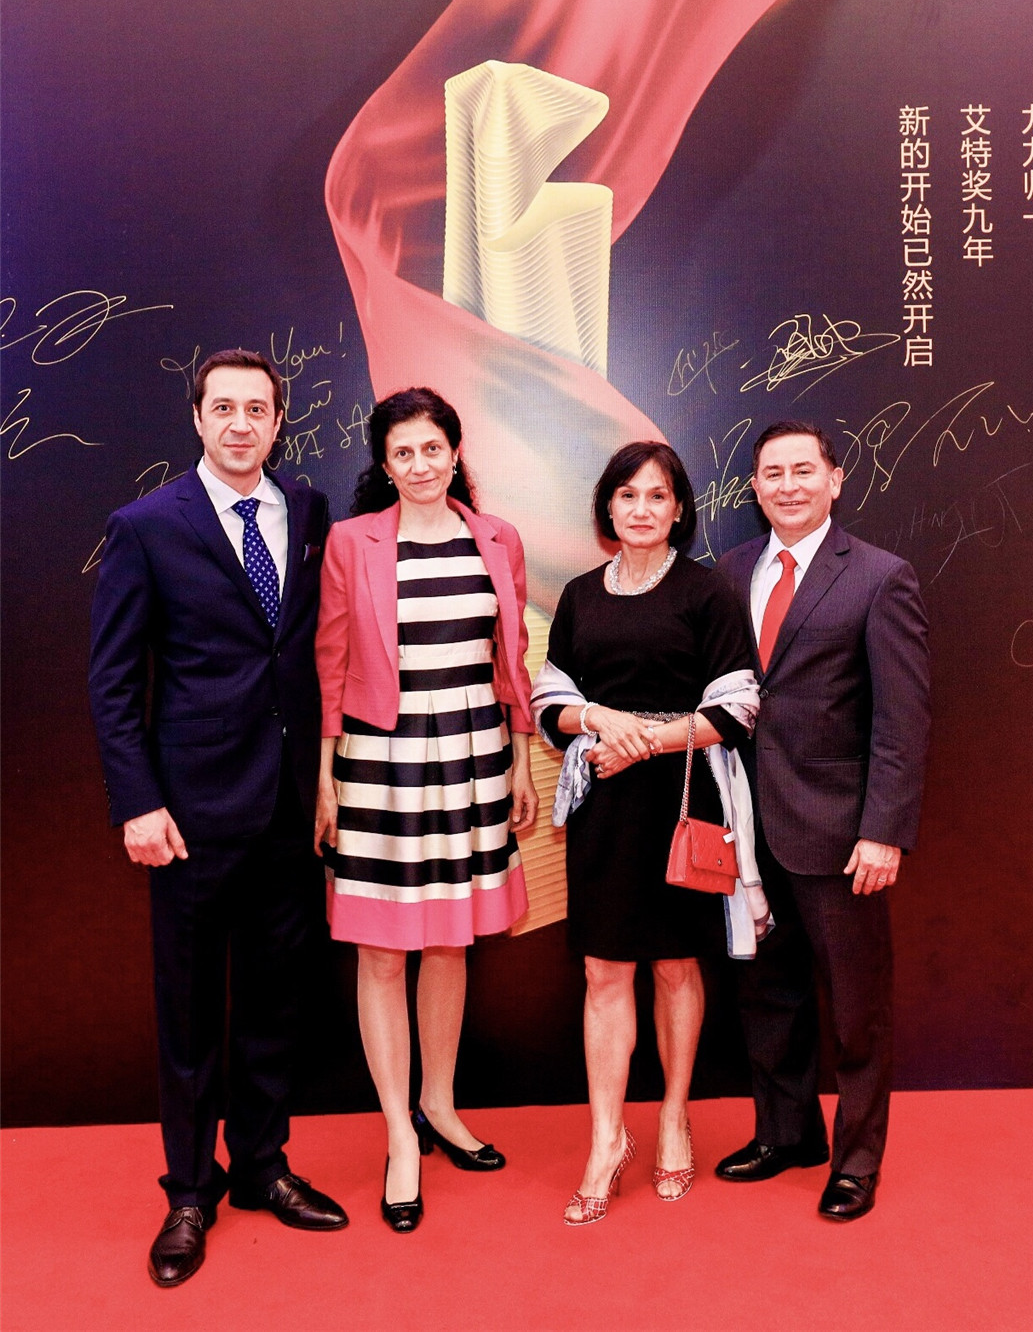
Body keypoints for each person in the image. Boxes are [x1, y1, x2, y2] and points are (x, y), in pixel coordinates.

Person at [88, 349, 348, 1289]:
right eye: (224, 408)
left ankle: (263, 1167)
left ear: (278, 421)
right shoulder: (145, 526)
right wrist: (139, 801)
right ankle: (191, 1192)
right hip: (189, 813)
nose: (241, 424)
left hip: (287, 808)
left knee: (276, 1003)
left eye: (257, 409)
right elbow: (114, 680)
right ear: (197, 419)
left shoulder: (309, 511)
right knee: (192, 1011)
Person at [314, 387, 538, 1233]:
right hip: (379, 764)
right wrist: (325, 779)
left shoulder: (497, 538)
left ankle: (440, 1106)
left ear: (455, 452)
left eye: (432, 449)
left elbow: (511, 660)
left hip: (474, 759)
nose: (419, 466)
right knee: (381, 951)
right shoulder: (353, 541)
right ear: (383, 463)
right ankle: (400, 1135)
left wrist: (522, 762)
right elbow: (330, 662)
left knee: (449, 940)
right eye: (402, 453)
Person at [530, 442, 764, 1226]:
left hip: (683, 800)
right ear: (608, 505)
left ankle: (672, 1115)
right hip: (603, 805)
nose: (640, 508)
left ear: (678, 508)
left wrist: (645, 743)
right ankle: (606, 1137)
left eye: (656, 495)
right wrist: (599, 718)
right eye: (627, 494)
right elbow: (549, 701)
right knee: (603, 971)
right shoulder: (579, 595)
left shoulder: (706, 592)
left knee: (673, 965)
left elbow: (738, 707)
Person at [714, 420, 930, 1221]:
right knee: (767, 995)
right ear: (755, 487)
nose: (788, 486)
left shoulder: (880, 577)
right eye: (772, 473)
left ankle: (856, 1162)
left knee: (857, 1007)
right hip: (746, 830)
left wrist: (884, 831)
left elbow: (902, 721)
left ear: (836, 480)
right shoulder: (730, 572)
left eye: (804, 470)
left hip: (841, 835)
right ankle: (786, 1135)